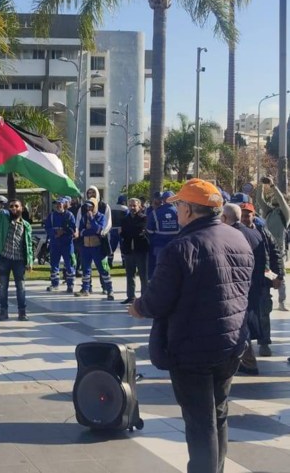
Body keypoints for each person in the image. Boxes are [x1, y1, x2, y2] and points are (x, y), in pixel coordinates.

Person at [129, 179, 252, 473]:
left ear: (188, 209)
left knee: (200, 423)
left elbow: (157, 301)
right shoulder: (238, 238)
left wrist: (138, 307)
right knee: (218, 414)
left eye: (180, 206)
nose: (178, 212)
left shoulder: (181, 247)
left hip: (193, 349)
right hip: (230, 343)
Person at [236, 202, 282, 367]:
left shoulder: (262, 232)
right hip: (242, 281)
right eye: (242, 214)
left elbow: (274, 255)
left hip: (262, 279)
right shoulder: (235, 232)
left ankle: (264, 342)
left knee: (263, 311)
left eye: (248, 214)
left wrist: (277, 277)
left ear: (253, 215)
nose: (245, 217)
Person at [0, 190, 33, 321]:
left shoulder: (26, 225)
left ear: (21, 208)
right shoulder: (3, 219)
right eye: (11, 206)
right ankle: (3, 311)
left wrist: (30, 261)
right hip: (4, 259)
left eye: (16, 206)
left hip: (19, 261)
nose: (14, 208)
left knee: (21, 287)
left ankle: (22, 312)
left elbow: (29, 245)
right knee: (3, 287)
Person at [254, 175, 290, 311]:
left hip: (279, 250)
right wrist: (261, 185)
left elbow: (281, 200)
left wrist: (273, 186)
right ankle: (267, 295)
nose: (274, 199)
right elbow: (259, 200)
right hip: (266, 248)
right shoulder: (269, 212)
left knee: (281, 276)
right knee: (267, 272)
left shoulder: (285, 214)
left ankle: (282, 301)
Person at [75, 198, 114, 300]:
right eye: (88, 206)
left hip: (98, 247)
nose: (89, 208)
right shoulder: (84, 217)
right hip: (86, 247)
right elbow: (81, 231)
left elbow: (98, 230)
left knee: (103, 269)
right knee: (86, 269)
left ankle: (109, 290)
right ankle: (85, 289)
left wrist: (92, 220)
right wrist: (89, 230)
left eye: (91, 206)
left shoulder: (101, 217)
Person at [119, 198, 150, 304]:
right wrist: (128, 232)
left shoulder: (144, 218)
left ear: (139, 206)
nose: (132, 208)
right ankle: (130, 296)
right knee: (130, 275)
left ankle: (144, 297)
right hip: (128, 250)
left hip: (141, 250)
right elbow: (123, 233)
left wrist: (128, 231)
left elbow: (140, 231)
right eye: (130, 205)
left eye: (134, 206)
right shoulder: (125, 219)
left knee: (143, 275)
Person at [44, 197, 76, 293]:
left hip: (67, 244)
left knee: (69, 264)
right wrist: (55, 233)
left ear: (64, 204)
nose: (58, 205)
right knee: (54, 264)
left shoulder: (69, 215)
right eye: (57, 204)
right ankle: (55, 284)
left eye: (60, 204)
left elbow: (73, 228)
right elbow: (47, 227)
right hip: (55, 243)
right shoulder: (52, 216)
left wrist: (64, 232)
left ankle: (70, 285)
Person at [146, 190, 179, 278]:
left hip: (159, 246)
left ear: (163, 200)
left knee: (160, 269)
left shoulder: (155, 212)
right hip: (176, 246)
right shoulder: (179, 211)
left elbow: (149, 230)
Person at [109, 195, 129, 268]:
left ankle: (109, 262)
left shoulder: (112, 207)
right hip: (121, 229)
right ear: (124, 201)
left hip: (112, 229)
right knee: (123, 246)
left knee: (112, 246)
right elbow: (127, 219)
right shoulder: (125, 208)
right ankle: (124, 263)